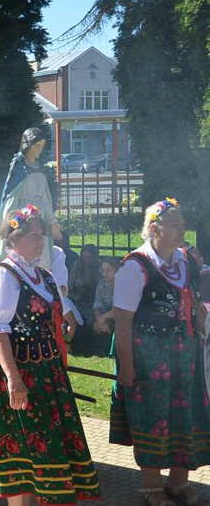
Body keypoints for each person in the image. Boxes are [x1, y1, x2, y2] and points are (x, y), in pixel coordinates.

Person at [0, 204, 101, 505]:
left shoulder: (44, 276)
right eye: (33, 236)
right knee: (20, 447)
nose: (40, 241)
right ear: (13, 239)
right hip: (17, 371)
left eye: (41, 236)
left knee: (47, 445)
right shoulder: (4, 276)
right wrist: (13, 380)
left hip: (46, 372)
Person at [110, 198, 210, 506]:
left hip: (186, 356)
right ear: (155, 229)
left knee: (188, 414)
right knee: (151, 417)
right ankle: (151, 485)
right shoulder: (135, 266)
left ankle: (178, 481)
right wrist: (126, 367)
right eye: (176, 226)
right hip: (148, 358)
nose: (183, 230)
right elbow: (122, 322)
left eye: (183, 225)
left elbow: (196, 308)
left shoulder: (188, 262)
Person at [0, 127, 61, 270]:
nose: (39, 150)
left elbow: (44, 199)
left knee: (41, 255)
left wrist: (52, 221)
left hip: (39, 216)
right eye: (36, 146)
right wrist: (8, 224)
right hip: (22, 216)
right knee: (23, 253)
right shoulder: (19, 165)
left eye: (41, 147)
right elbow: (10, 197)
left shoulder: (38, 167)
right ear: (28, 145)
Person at [69, 243, 100, 320]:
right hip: (76, 293)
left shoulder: (98, 267)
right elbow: (71, 280)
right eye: (84, 256)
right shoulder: (77, 264)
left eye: (89, 257)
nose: (85, 259)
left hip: (92, 295)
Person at [92, 257, 117, 335]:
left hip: (123, 315)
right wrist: (100, 320)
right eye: (103, 270)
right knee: (97, 326)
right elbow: (98, 303)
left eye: (109, 270)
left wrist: (103, 317)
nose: (105, 273)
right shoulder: (102, 284)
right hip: (108, 314)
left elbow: (120, 309)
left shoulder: (123, 284)